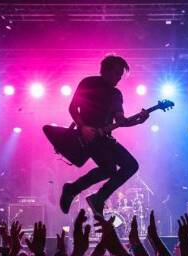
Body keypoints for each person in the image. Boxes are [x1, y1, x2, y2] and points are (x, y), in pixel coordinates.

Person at [59, 55, 150, 217]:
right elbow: (73, 108)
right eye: (117, 73)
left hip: (105, 137)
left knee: (131, 165)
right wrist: (83, 127)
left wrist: (139, 121)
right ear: (105, 70)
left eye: (121, 75)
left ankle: (95, 197)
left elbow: (120, 121)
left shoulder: (116, 94)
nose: (119, 78)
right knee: (109, 169)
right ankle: (79, 192)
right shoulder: (88, 83)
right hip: (86, 136)